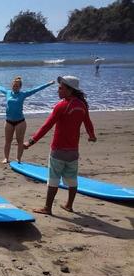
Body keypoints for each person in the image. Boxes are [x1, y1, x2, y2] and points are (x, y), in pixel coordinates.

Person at [23, 75, 96, 215]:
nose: (58, 91)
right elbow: (88, 122)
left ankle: (47, 208)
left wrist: (31, 142)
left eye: (60, 88)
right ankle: (69, 205)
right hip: (73, 151)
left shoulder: (61, 106)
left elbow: (47, 126)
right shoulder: (82, 105)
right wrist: (91, 136)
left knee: (53, 179)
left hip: (58, 150)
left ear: (70, 90)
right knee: (72, 179)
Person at [0, 77, 54, 163]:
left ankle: (18, 159)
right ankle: (6, 158)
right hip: (8, 121)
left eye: (17, 86)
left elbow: (36, 89)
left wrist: (48, 84)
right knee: (8, 141)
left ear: (20, 87)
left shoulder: (23, 94)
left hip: (20, 122)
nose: (15, 87)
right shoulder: (7, 93)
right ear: (12, 86)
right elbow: (1, 88)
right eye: (14, 86)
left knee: (20, 141)